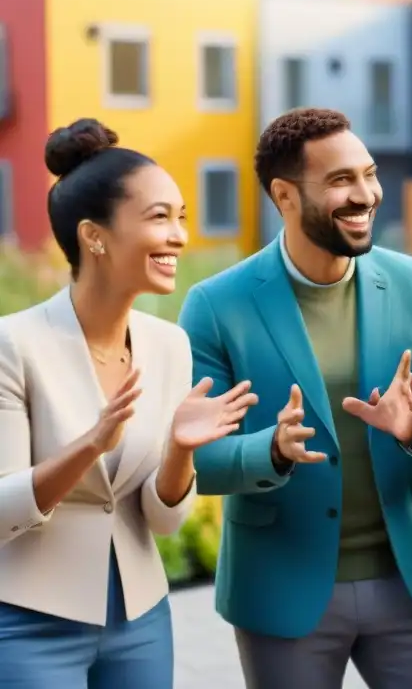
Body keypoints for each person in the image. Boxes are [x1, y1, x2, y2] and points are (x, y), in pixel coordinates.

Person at [177, 108, 412, 689]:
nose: (366, 194)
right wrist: (269, 451)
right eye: (341, 180)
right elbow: (197, 461)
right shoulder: (216, 304)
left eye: (369, 174)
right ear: (285, 195)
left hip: (409, 586)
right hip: (282, 591)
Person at [0, 119, 257, 688]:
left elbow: (163, 521)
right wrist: (89, 444)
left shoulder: (170, 345)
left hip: (141, 618)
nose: (179, 237)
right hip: (28, 621)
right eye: (159, 217)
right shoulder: (14, 344)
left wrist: (179, 454)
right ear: (94, 236)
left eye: (181, 216)